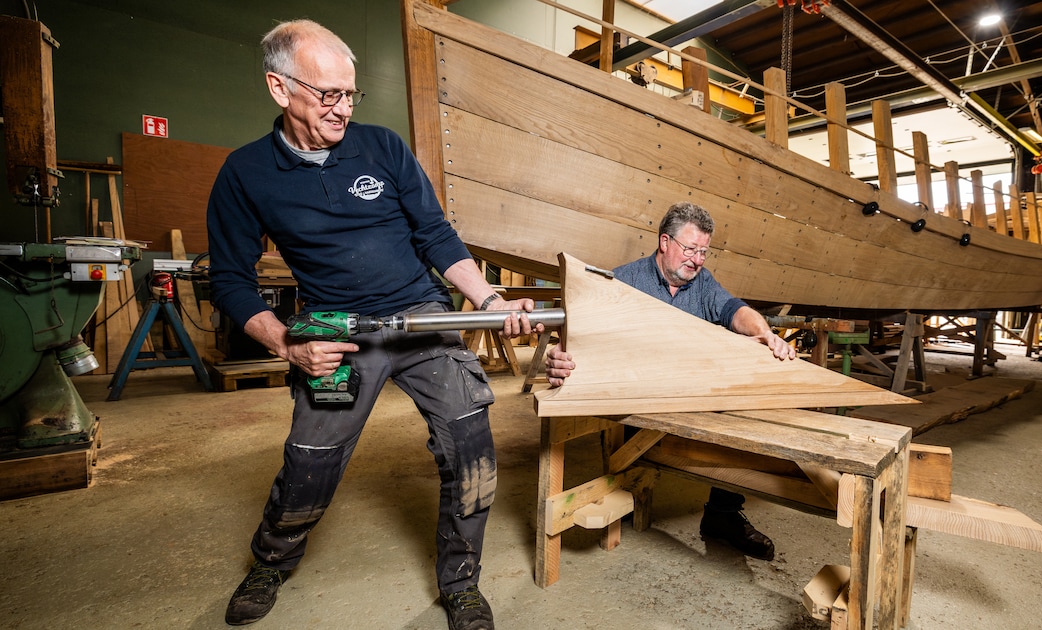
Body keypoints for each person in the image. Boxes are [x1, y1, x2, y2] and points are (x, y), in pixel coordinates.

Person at [207, 19, 536, 629]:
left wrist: (489, 300)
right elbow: (229, 278)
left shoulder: (381, 146)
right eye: (328, 94)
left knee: (470, 445)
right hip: (333, 327)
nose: (342, 109)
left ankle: (461, 580)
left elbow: (435, 234)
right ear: (280, 89)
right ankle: (272, 560)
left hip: (421, 316)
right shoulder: (245, 172)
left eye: (350, 94)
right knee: (310, 458)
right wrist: (287, 343)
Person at [544, 201, 795, 561]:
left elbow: (734, 309)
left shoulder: (702, 283)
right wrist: (562, 355)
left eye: (704, 252)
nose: (697, 259)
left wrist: (765, 334)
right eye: (690, 249)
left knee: (745, 411)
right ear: (665, 242)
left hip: (685, 393)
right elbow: (582, 335)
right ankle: (628, 487)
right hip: (635, 397)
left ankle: (722, 516)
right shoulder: (625, 280)